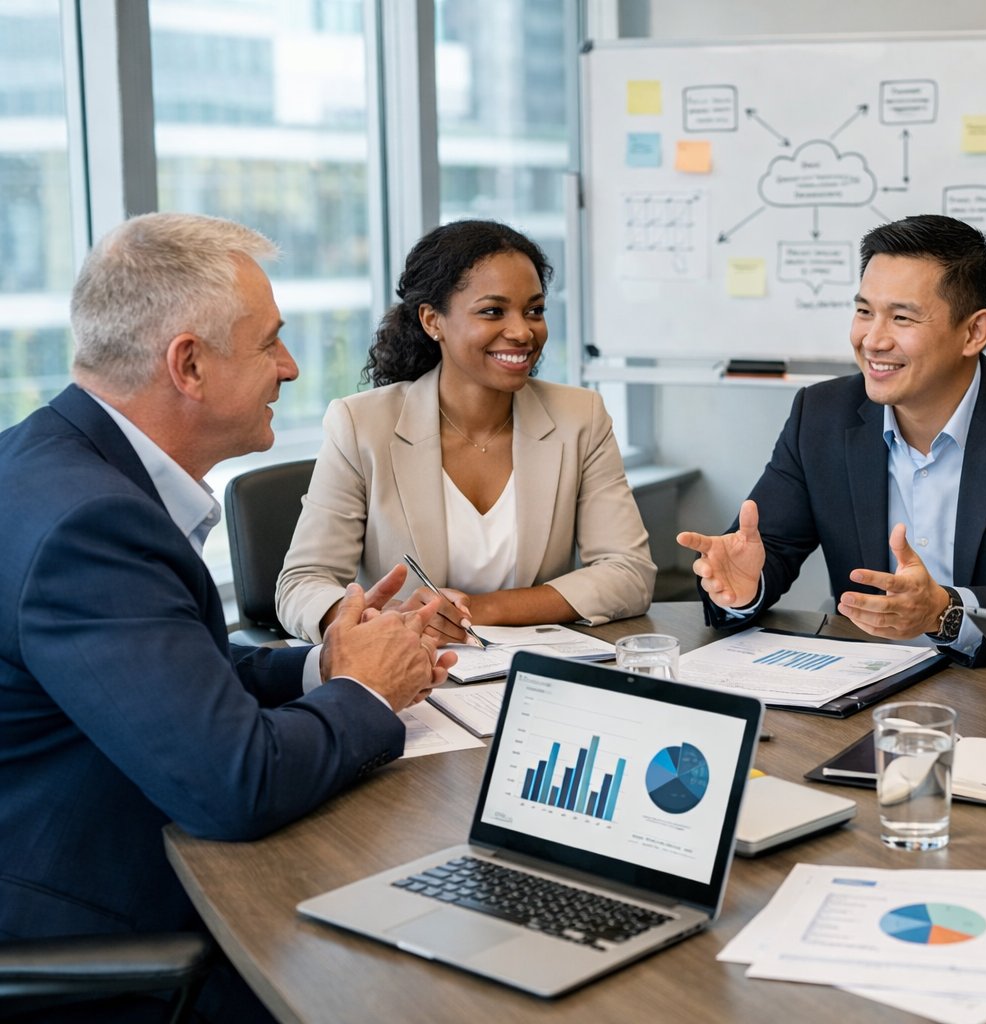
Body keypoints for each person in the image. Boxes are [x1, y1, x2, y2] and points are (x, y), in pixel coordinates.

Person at [0, 214, 456, 1011]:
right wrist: (368, 691)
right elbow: (236, 786)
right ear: (189, 365)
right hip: (93, 928)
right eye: (270, 343)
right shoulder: (92, 525)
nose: (290, 367)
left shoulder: (45, 456)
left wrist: (325, 664)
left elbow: (166, 666)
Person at [678, 214, 986, 664]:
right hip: (866, 681)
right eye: (864, 312)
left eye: (902, 317)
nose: (872, 340)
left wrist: (945, 611)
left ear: (974, 332)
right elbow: (762, 551)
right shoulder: (822, 416)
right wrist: (744, 588)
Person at [276, 220, 655, 644]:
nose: (523, 332)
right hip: (407, 663)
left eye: (534, 310)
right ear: (432, 320)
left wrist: (474, 611)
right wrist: (390, 621)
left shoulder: (579, 417)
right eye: (493, 311)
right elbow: (303, 584)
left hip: (533, 666)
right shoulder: (360, 425)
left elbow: (629, 573)